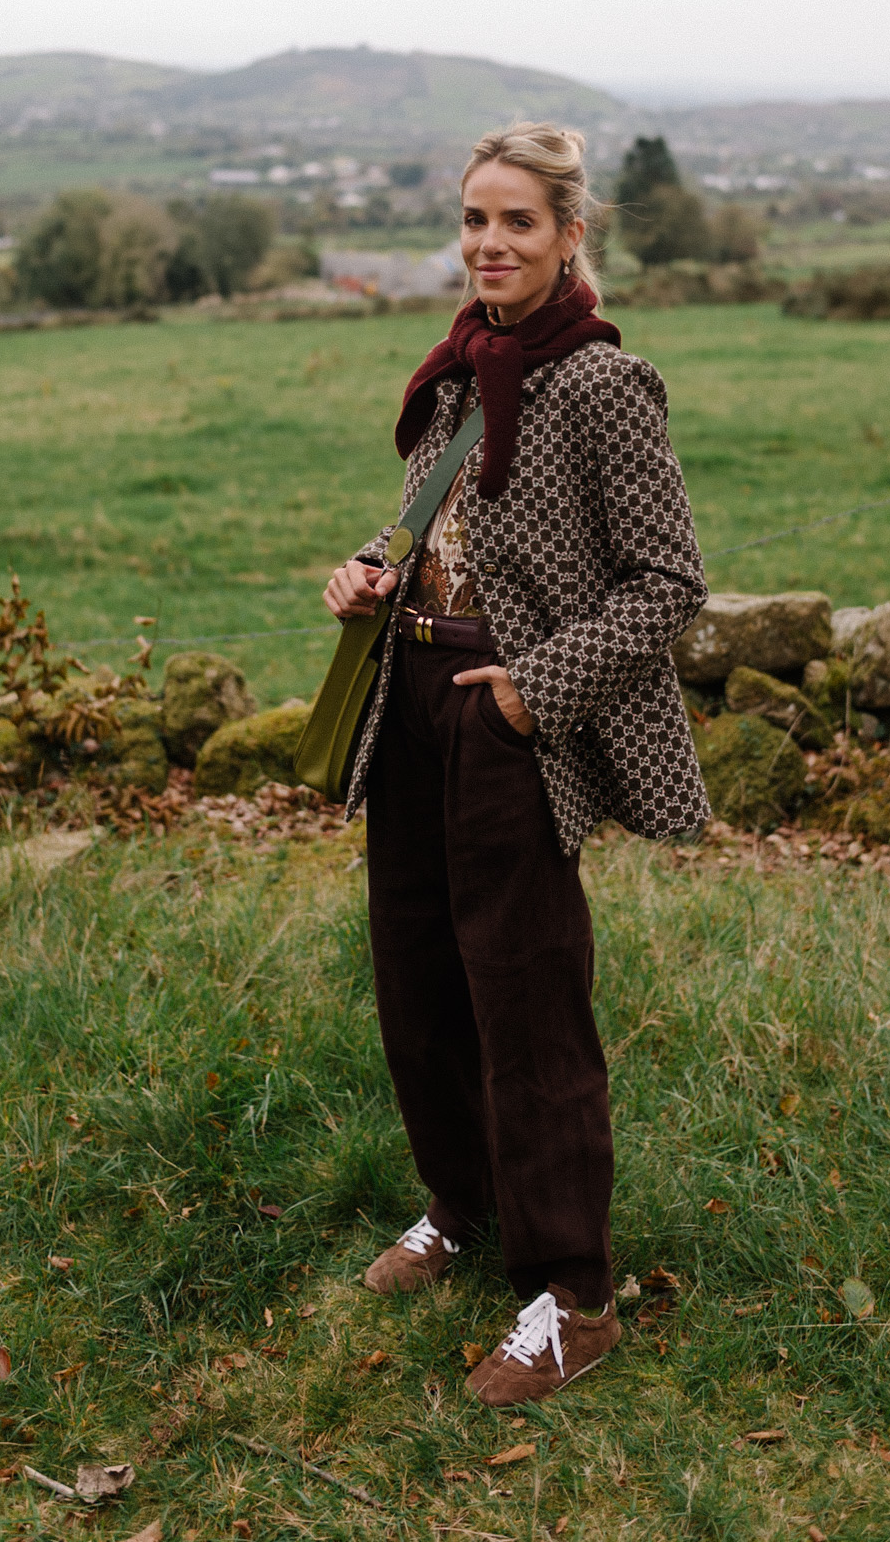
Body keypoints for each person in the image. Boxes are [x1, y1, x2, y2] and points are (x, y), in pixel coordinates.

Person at [323, 121, 710, 1407]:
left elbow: (669, 582)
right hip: (410, 697)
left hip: (508, 717)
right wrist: (369, 572)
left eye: (518, 222)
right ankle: (462, 1205)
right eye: (474, 219)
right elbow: (443, 531)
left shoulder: (603, 385)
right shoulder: (456, 370)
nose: (488, 243)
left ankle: (572, 1296)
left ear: (569, 235)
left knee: (527, 997)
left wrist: (530, 699)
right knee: (417, 976)